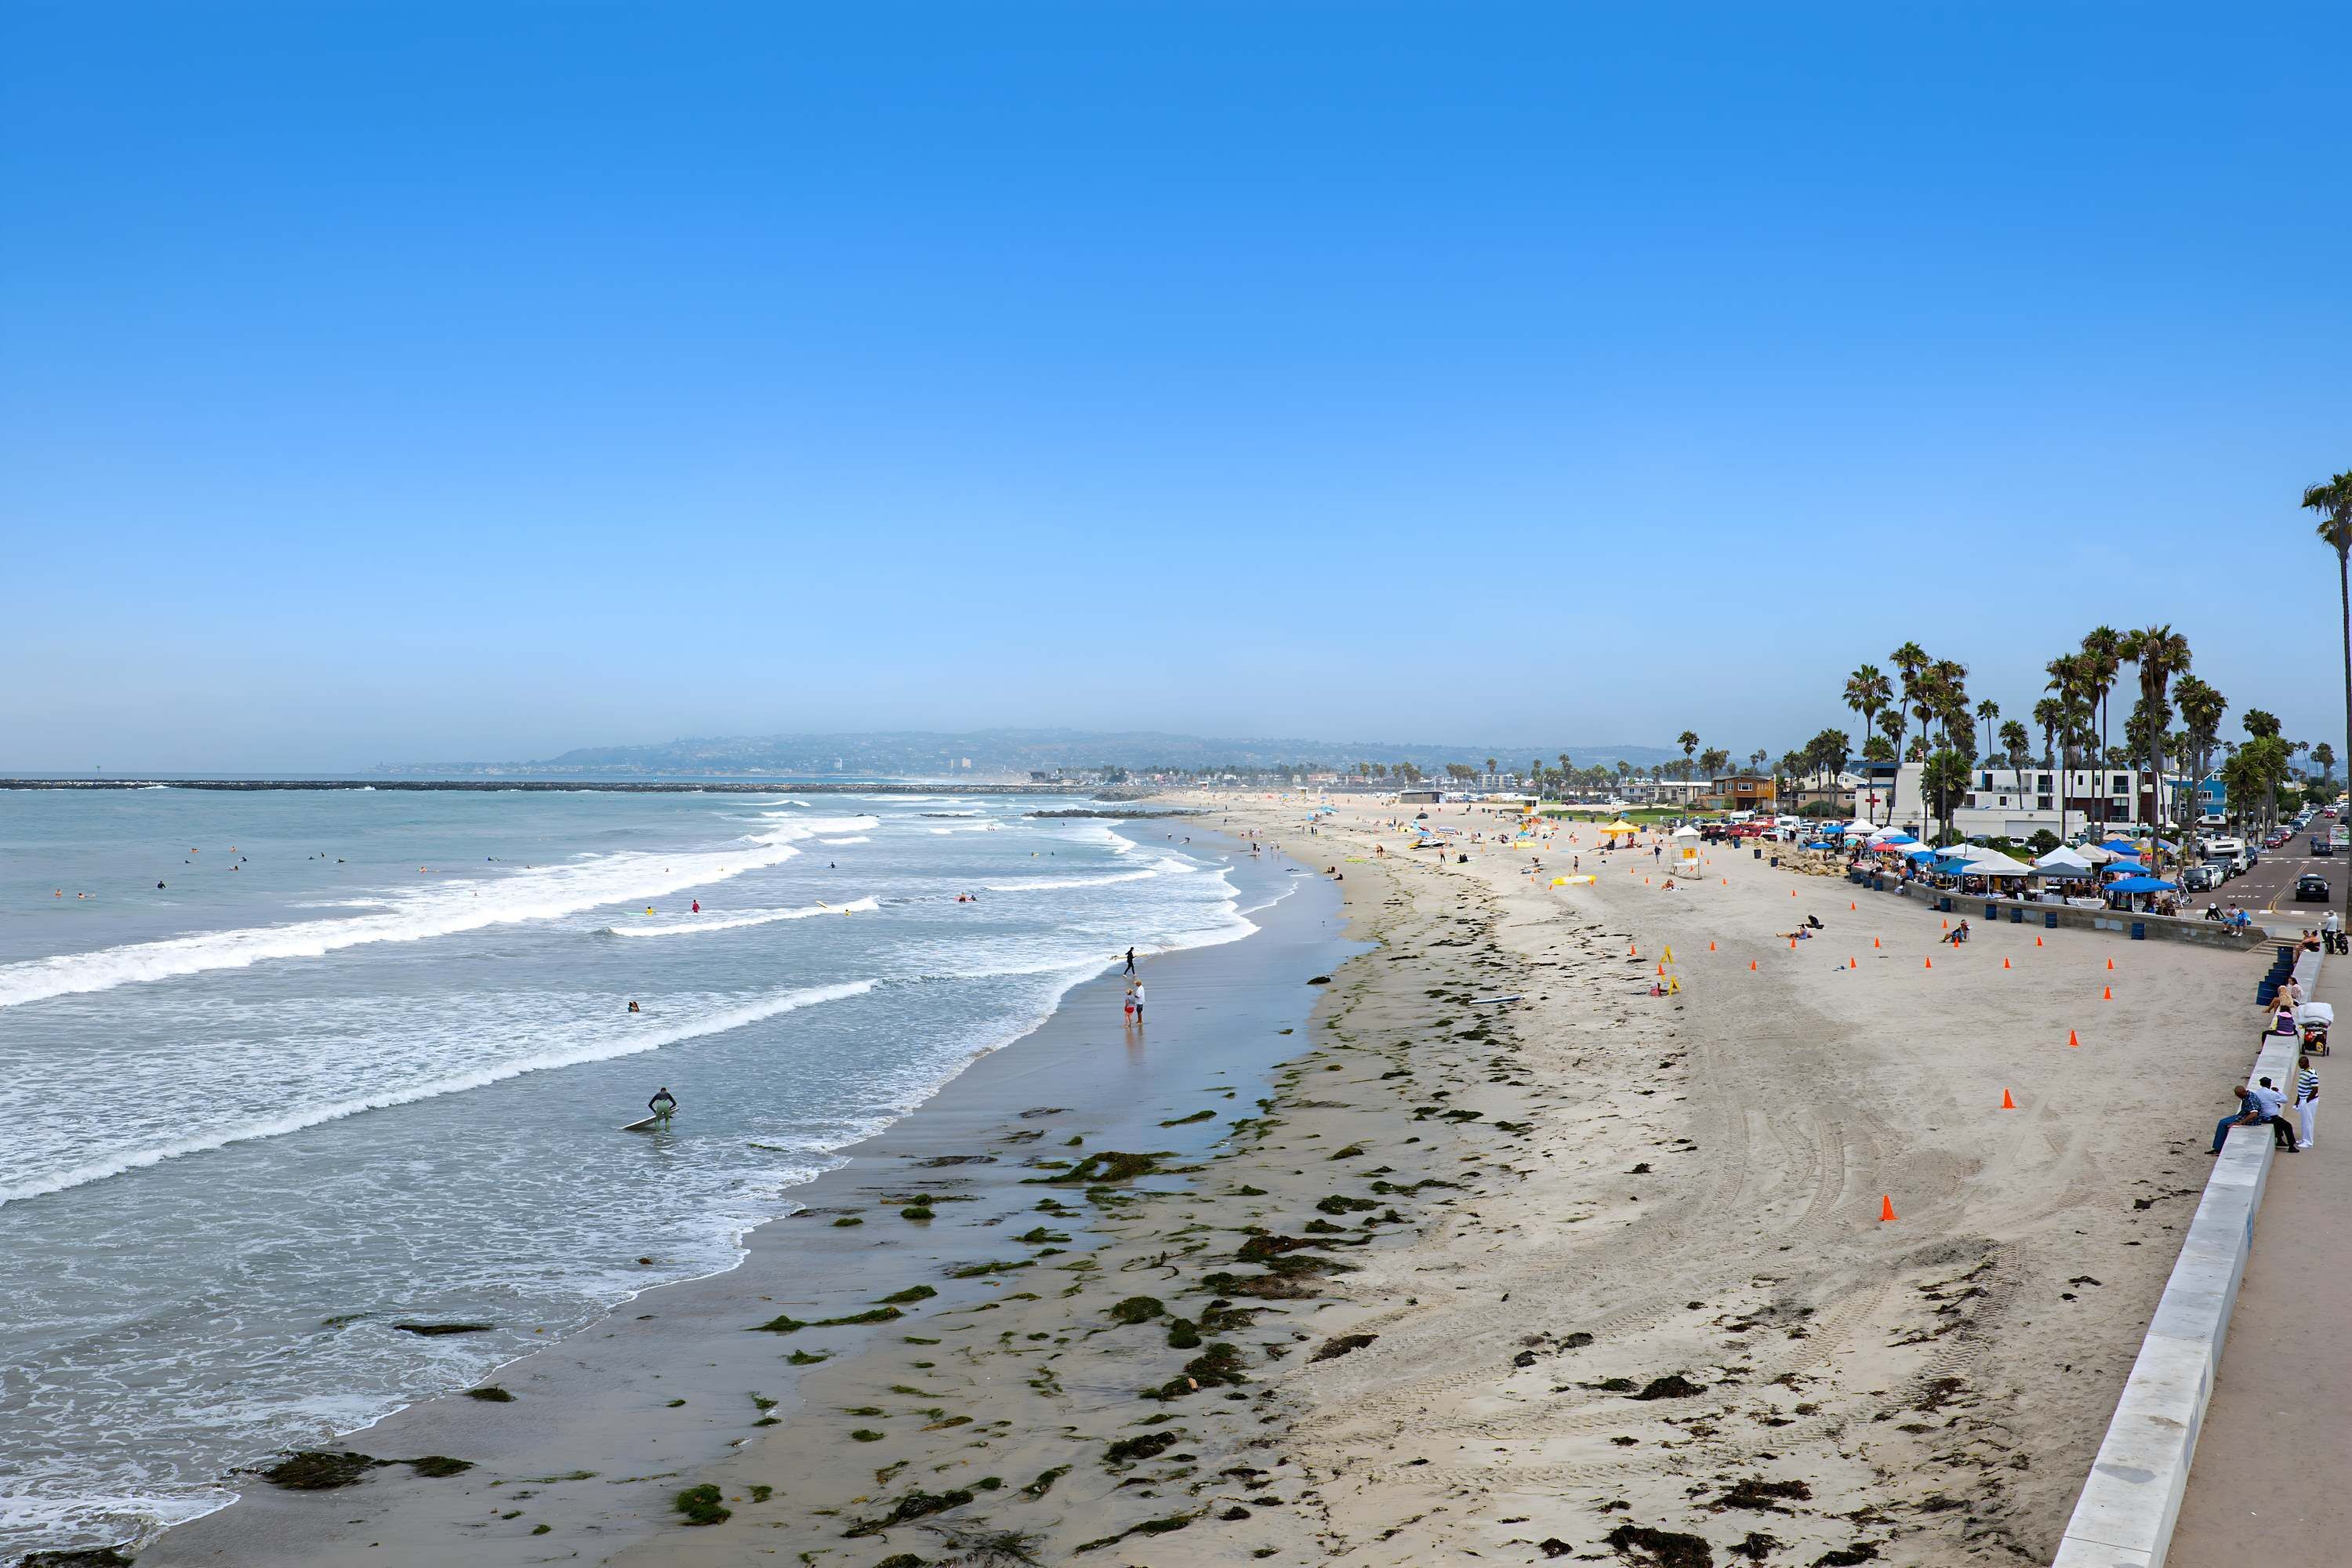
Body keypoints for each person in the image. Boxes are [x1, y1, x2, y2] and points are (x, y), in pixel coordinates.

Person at [2297, 1054, 2321, 1149]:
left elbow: (2315, 1089)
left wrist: (2307, 1100)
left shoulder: (2312, 1074)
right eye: (2299, 1062)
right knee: (2304, 1121)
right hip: (2303, 1099)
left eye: (2302, 1063)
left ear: (2307, 1063)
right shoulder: (2302, 1072)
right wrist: (2297, 1100)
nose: (2300, 1064)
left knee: (2308, 1122)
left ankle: (2308, 1142)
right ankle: (2304, 1139)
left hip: (2309, 1101)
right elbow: (2301, 1087)